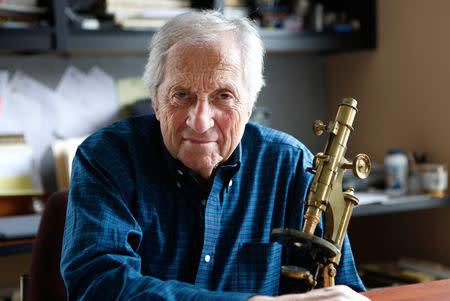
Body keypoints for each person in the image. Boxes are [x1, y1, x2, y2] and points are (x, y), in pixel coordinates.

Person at [61, 10, 370, 301]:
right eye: (182, 95)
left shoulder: (291, 166)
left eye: (223, 96)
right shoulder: (107, 159)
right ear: (155, 102)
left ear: (249, 105)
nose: (200, 121)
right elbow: (97, 284)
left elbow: (339, 288)